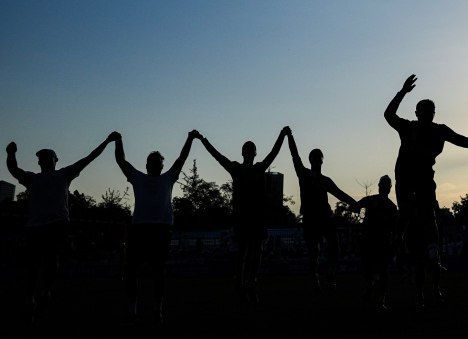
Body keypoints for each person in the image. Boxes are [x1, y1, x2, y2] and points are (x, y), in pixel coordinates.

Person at [384, 74, 468, 269]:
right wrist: (402, 92)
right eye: (422, 112)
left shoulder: (439, 130)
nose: (425, 115)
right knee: (405, 214)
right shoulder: (408, 127)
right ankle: (395, 247)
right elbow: (388, 115)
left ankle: (433, 256)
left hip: (424, 178)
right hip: (405, 177)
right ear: (416, 113)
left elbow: (465, 142)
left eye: (429, 112)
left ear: (433, 113)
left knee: (428, 215)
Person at [6, 132, 119, 323]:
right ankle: (29, 300)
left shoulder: (64, 174)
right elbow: (14, 169)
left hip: (57, 224)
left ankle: (45, 292)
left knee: (51, 259)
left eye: (47, 157)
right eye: (41, 158)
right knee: (33, 265)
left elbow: (89, 158)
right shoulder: (32, 178)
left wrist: (107, 142)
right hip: (35, 226)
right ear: (39, 162)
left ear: (55, 160)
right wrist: (10, 153)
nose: (43, 160)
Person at [114, 130, 200, 324]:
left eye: (158, 162)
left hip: (161, 229)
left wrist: (190, 138)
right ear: (147, 165)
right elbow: (121, 160)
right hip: (140, 229)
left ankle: (157, 309)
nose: (155, 165)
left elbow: (182, 158)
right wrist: (118, 140)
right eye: (152, 162)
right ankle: (132, 309)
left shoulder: (168, 178)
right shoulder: (138, 177)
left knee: (159, 271)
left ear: (162, 165)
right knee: (133, 271)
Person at [197, 127, 290, 303]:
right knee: (245, 249)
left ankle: (248, 281)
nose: (248, 153)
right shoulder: (238, 168)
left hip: (255, 216)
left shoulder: (258, 168)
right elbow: (217, 156)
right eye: (247, 150)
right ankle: (242, 280)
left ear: (253, 153)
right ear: (244, 153)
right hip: (244, 216)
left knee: (255, 249)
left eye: (250, 150)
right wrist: (203, 140)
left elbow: (274, 152)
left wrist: (282, 135)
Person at [287, 128, 357, 293]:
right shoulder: (303, 174)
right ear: (310, 159)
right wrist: (290, 137)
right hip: (311, 218)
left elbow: (339, 194)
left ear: (322, 161)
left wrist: (355, 204)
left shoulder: (325, 180)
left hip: (325, 216)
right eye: (314, 156)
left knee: (334, 243)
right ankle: (314, 277)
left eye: (319, 156)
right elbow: (294, 155)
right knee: (314, 251)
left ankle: (330, 275)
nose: (317, 159)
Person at [352, 175, 398, 310]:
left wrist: (395, 242)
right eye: (383, 185)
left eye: (386, 186)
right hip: (369, 241)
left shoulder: (391, 207)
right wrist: (354, 207)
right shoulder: (371, 200)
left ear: (389, 188)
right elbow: (356, 205)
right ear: (379, 186)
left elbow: (395, 227)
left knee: (383, 270)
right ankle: (371, 285)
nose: (384, 188)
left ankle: (381, 298)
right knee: (369, 269)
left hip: (383, 242)